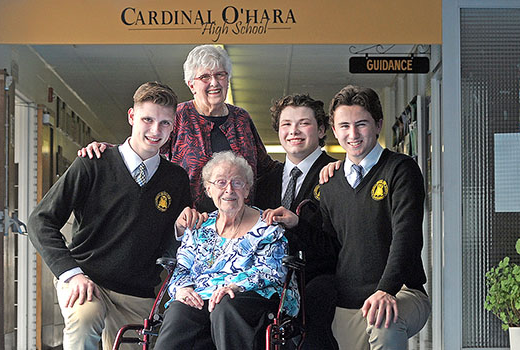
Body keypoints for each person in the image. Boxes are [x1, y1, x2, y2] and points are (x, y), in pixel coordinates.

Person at [27, 82, 192, 350]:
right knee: (85, 319)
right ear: (131, 116)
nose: (155, 130)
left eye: (165, 123)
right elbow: (40, 221)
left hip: (137, 292)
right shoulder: (93, 163)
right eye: (147, 119)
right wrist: (71, 274)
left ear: (173, 126)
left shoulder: (176, 179)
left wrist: (181, 232)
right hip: (88, 280)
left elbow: (174, 242)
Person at [264, 85, 431, 349]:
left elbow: (406, 238)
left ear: (378, 124)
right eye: (344, 126)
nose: (352, 134)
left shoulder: (401, 169)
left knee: (384, 324)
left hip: (401, 291)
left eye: (361, 124)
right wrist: (298, 224)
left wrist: (386, 290)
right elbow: (331, 247)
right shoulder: (330, 182)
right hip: (347, 303)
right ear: (333, 129)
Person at [78, 45, 278, 212]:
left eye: (220, 75)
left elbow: (265, 168)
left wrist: (304, 165)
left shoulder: (241, 118)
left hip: (240, 225)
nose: (214, 83)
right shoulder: (179, 116)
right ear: (191, 85)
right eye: (205, 77)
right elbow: (146, 150)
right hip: (189, 226)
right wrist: (108, 150)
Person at [154, 151, 299, 350]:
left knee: (225, 306)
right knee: (179, 310)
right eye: (220, 182)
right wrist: (182, 289)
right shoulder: (199, 227)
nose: (229, 189)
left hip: (252, 298)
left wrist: (235, 286)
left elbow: (272, 271)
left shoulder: (267, 227)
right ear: (208, 189)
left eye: (237, 183)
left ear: (247, 189)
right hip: (203, 297)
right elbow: (182, 268)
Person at [254, 93, 339, 349]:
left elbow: (340, 244)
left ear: (322, 129)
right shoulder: (264, 182)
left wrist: (298, 224)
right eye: (286, 125)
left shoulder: (338, 175)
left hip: (317, 278)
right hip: (272, 278)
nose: (294, 131)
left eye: (304, 123)